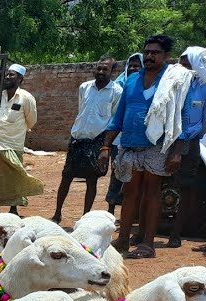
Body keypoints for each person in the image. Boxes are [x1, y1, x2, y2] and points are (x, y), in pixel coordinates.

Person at [100, 35, 192, 258]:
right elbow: (118, 116)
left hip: (157, 147)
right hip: (130, 145)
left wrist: (177, 151)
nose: (150, 56)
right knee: (129, 193)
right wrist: (105, 147)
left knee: (152, 194)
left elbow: (183, 117)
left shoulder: (174, 81)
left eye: (155, 52)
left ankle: (147, 245)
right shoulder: (132, 80)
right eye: (147, 51)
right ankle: (122, 241)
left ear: (166, 56)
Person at [53, 56, 122, 223]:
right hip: (77, 138)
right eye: (98, 68)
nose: (100, 71)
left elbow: (114, 119)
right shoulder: (85, 87)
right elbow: (81, 110)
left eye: (105, 69)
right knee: (66, 176)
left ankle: (84, 217)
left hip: (97, 140)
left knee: (92, 180)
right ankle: (57, 214)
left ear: (112, 71)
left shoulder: (117, 92)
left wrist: (105, 147)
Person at [0, 63, 41, 217]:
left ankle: (14, 209)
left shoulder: (26, 97)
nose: (7, 77)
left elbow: (31, 120)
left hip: (14, 144)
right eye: (7, 74)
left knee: (14, 175)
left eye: (11, 74)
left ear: (20, 78)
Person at [171, 46, 205, 249]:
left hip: (191, 143)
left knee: (186, 188)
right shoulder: (172, 83)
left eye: (186, 63)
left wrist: (194, 137)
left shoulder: (203, 87)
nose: (181, 67)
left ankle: (176, 233)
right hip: (167, 141)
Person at [105, 53, 144, 214]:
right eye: (131, 65)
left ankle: (132, 212)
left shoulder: (146, 87)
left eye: (137, 65)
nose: (134, 68)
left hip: (139, 141)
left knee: (136, 177)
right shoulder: (118, 87)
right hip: (118, 139)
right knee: (117, 173)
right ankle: (111, 210)